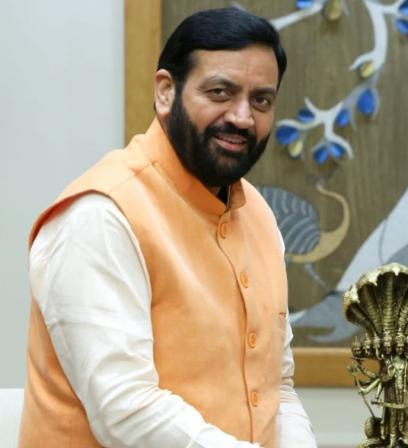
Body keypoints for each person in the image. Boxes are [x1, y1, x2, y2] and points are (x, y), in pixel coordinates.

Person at [19, 8, 316, 447]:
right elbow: (126, 410)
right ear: (165, 92)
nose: (242, 117)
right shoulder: (100, 215)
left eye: (261, 101)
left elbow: (278, 388)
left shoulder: (258, 213)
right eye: (220, 92)